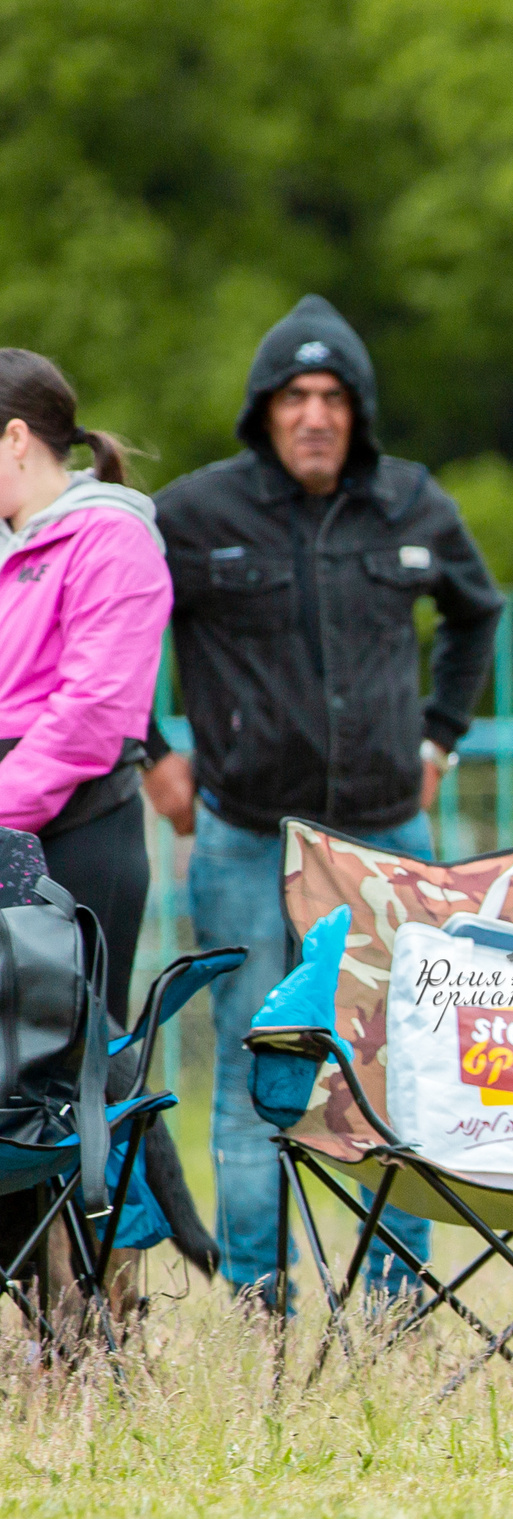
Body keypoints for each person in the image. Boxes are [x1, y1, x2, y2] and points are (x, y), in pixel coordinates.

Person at [145, 296, 506, 1307]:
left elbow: (477, 612)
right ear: (264, 410)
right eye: (295, 396)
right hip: (246, 837)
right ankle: (260, 1301)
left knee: (402, 1066)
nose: (314, 415)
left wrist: (439, 738)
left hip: (388, 834)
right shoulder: (196, 514)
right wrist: (152, 754)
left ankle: (396, 1304)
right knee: (255, 1069)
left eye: (334, 397)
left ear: (359, 413)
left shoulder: (410, 501)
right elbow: (115, 625)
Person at [0, 351, 167, 1026]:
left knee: (72, 1059)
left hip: (77, 839)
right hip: (13, 829)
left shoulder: (113, 539)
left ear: (15, 438)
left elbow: (92, 714)